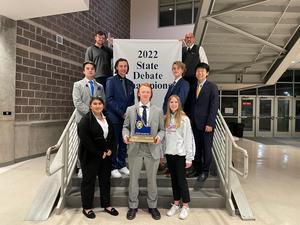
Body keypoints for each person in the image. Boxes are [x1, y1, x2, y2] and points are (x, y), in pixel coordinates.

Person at [123, 83, 165, 220]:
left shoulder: (158, 111)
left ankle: (152, 206)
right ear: (139, 94)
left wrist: (159, 137)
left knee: (152, 180)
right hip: (135, 148)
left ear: (151, 94)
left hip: (151, 149)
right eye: (143, 91)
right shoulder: (130, 109)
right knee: (133, 179)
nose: (145, 94)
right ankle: (133, 206)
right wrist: (125, 135)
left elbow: (162, 129)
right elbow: (126, 127)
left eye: (148, 92)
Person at [77, 97, 119, 219]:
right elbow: (86, 141)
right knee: (88, 182)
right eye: (94, 104)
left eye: (100, 103)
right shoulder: (85, 121)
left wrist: (111, 149)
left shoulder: (107, 119)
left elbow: (112, 136)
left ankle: (106, 205)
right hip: (90, 156)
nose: (97, 106)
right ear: (90, 106)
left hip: (106, 156)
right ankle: (87, 207)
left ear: (103, 105)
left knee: (105, 181)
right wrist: (99, 153)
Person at [163, 95, 195, 220]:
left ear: (179, 104)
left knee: (182, 181)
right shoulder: (165, 118)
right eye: (171, 102)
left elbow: (188, 138)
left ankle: (185, 206)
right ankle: (176, 204)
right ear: (168, 104)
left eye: (176, 102)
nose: (174, 104)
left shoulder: (184, 119)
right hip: (169, 154)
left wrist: (189, 157)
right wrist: (162, 154)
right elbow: (164, 139)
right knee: (174, 181)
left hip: (180, 155)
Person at [72, 61, 106, 178]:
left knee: (95, 144)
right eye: (87, 68)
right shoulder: (78, 85)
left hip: (97, 120)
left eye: (92, 68)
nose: (90, 70)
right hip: (83, 119)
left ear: (95, 71)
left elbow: (103, 102)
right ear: (84, 71)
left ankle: (95, 167)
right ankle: (81, 167)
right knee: (83, 144)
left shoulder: (100, 86)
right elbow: (77, 102)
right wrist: (91, 113)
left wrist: (98, 113)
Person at [187, 63, 219, 182]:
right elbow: (190, 105)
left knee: (206, 148)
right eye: (198, 71)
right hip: (194, 124)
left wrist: (210, 123)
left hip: (206, 125)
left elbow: (214, 106)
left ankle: (205, 171)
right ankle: (196, 169)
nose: (200, 73)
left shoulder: (212, 87)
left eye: (202, 71)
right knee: (196, 148)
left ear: (207, 73)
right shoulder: (192, 86)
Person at [106, 58, 135, 178]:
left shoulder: (130, 83)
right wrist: (121, 113)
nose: (123, 68)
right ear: (116, 67)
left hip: (127, 118)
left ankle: (122, 164)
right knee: (114, 143)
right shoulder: (111, 81)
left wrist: (130, 114)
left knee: (124, 142)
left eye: (125, 66)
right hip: (115, 118)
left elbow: (132, 101)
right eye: (121, 66)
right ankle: (113, 166)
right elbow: (109, 100)